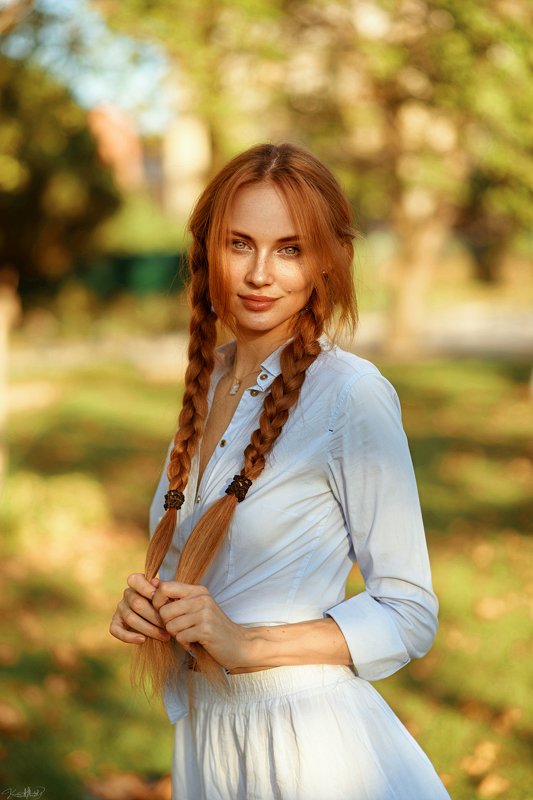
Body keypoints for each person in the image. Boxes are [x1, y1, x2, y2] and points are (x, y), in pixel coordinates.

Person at [110, 142, 450, 800]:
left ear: (325, 261)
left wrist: (245, 644)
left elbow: (409, 612)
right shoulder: (206, 387)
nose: (261, 273)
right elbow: (215, 569)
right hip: (210, 743)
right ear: (206, 248)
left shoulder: (348, 395)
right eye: (240, 243)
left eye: (290, 249)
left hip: (308, 752)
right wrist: (149, 607)